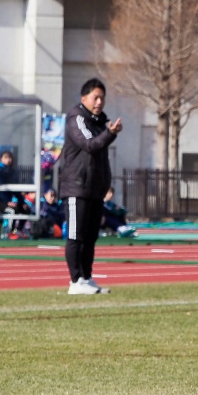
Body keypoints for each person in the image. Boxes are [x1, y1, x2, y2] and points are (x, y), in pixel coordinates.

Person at [60, 78, 122, 295]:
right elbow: (89, 145)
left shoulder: (99, 123)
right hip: (77, 187)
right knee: (76, 236)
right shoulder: (76, 118)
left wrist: (105, 183)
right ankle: (75, 281)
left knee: (90, 237)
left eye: (102, 98)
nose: (99, 102)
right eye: (95, 97)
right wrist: (110, 133)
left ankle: (86, 278)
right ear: (84, 98)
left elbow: (101, 157)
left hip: (94, 190)